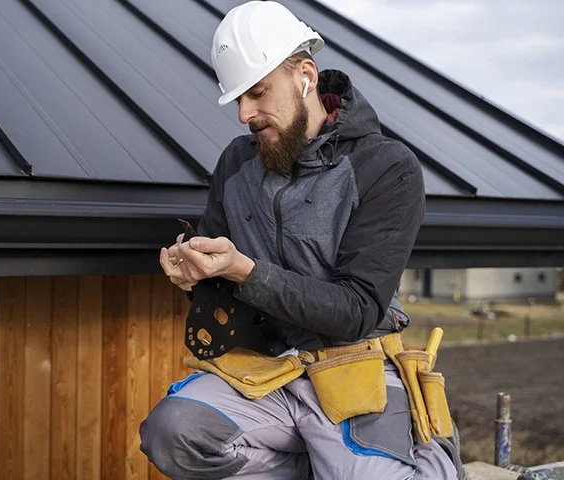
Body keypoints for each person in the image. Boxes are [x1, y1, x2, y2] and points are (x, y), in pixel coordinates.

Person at [140, 2, 465, 479]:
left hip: (356, 366)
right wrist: (196, 272)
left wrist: (242, 269)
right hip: (270, 371)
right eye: (238, 100)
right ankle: (319, 462)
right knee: (173, 434)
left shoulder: (386, 167)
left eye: (256, 93)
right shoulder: (236, 164)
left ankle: (433, 459)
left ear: (306, 76)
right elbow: (223, 273)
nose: (244, 114)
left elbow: (355, 311)